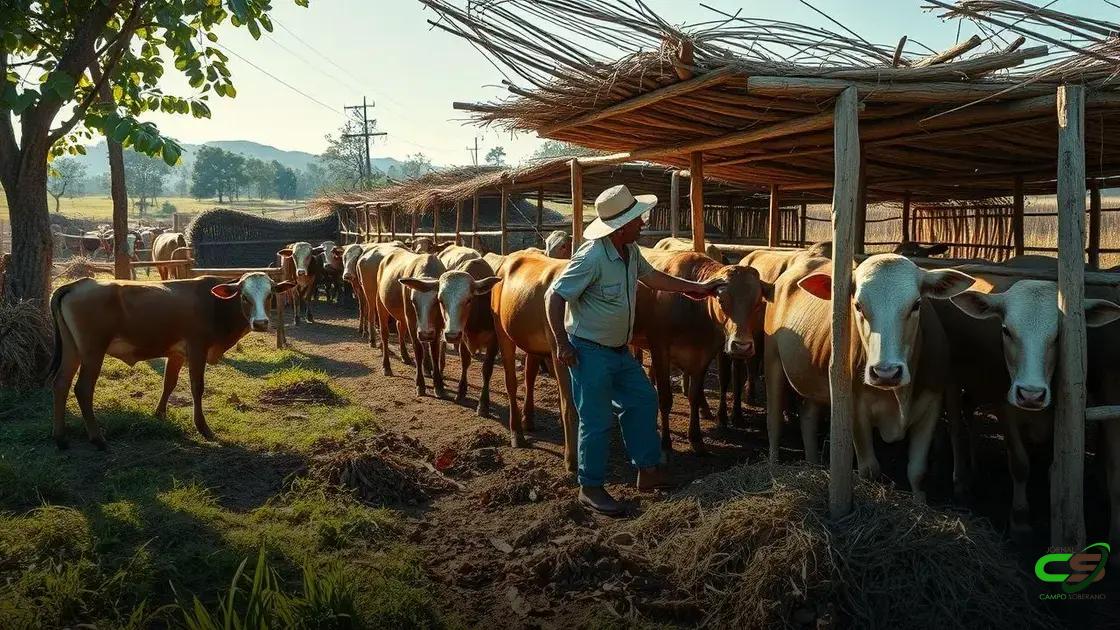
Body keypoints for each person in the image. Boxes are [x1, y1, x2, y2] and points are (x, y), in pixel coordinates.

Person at [546, 184, 725, 515]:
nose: (643, 223)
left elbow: (655, 278)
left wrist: (697, 288)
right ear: (620, 226)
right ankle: (591, 487)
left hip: (618, 351)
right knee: (597, 420)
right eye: (637, 219)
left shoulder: (631, 252)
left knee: (644, 399)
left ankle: (647, 470)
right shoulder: (592, 257)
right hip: (589, 350)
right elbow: (554, 297)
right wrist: (560, 342)